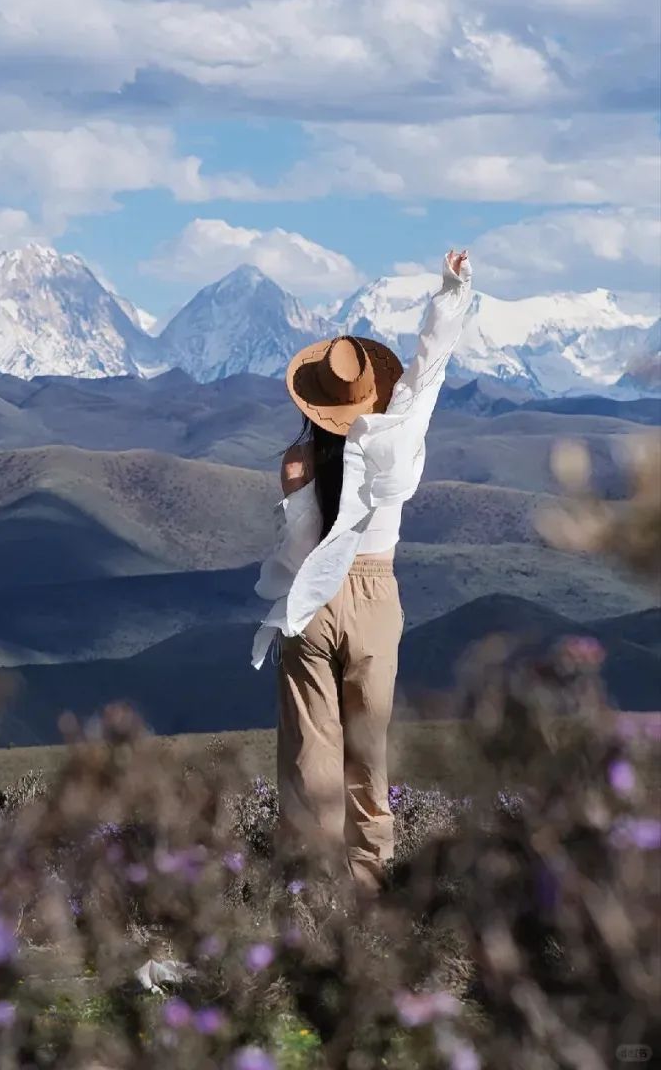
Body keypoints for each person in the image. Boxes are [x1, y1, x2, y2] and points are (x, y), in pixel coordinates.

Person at [251, 249, 474, 894]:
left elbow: (298, 551)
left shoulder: (298, 461)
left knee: (308, 753)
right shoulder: (399, 438)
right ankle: (370, 883)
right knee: (367, 753)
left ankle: (310, 888)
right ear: (370, 392)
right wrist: (451, 292)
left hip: (310, 603)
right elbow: (429, 368)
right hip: (378, 598)